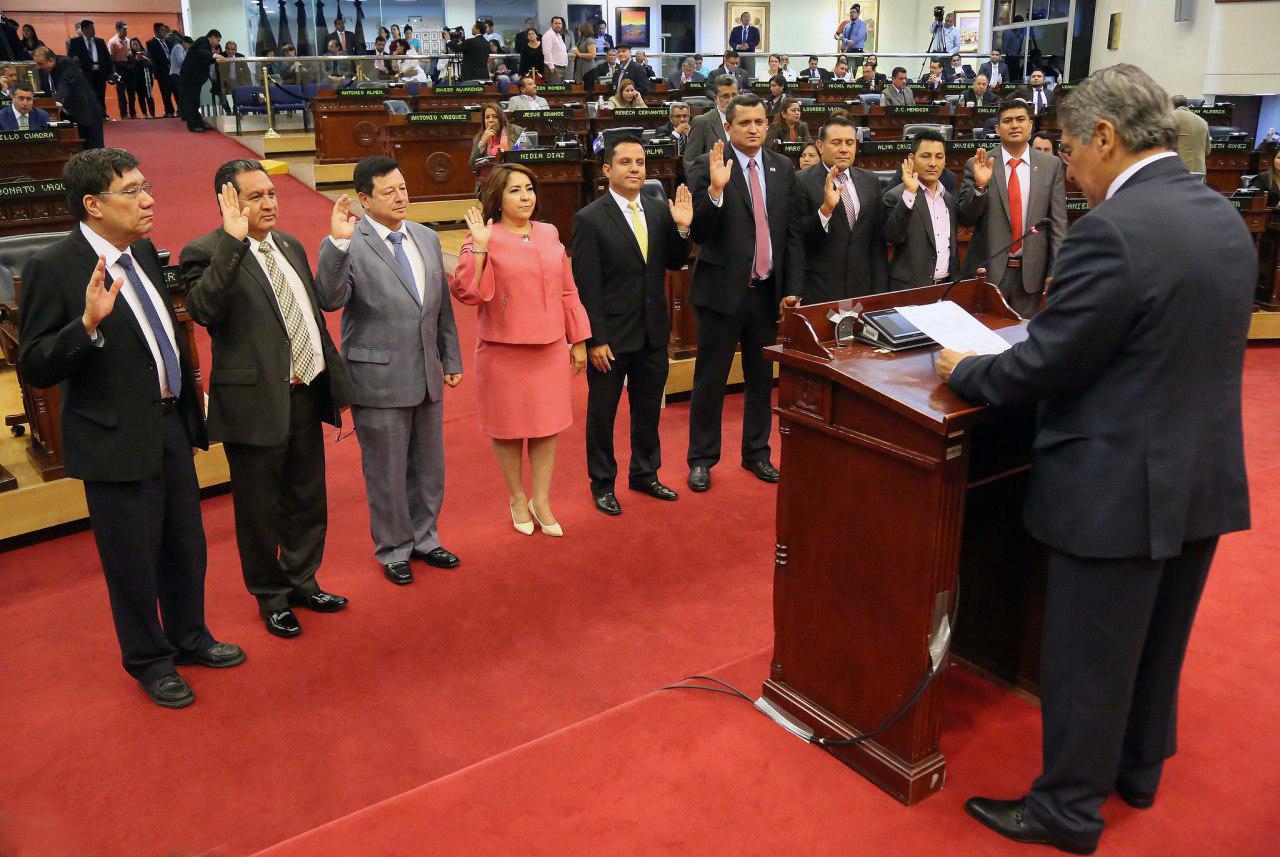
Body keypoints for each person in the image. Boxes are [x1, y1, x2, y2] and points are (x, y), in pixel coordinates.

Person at [937, 64, 1256, 857]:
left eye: (1071, 148)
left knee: (1089, 653)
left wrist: (962, 370)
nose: (1068, 166)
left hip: (1116, 485)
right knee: (1159, 639)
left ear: (1108, 138)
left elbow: (1044, 364)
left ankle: (1068, 809)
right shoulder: (1218, 213)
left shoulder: (1111, 231)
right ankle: (1138, 769)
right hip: (1199, 476)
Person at [18, 148, 246, 708]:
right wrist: (87, 324)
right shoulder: (54, 266)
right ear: (93, 204)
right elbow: (36, 363)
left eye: (146, 186)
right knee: (131, 559)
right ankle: (150, 660)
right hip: (113, 438)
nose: (148, 199)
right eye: (132, 191)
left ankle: (190, 636)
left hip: (169, 424)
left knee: (185, 545)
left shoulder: (141, 250)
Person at [179, 160, 352, 638]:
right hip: (254, 402)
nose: (269, 203)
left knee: (306, 496)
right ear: (227, 202)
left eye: (271, 193)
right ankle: (271, 595)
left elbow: (315, 310)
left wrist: (336, 243)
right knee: (259, 509)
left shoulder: (291, 245)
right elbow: (204, 309)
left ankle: (303, 579)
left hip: (304, 391)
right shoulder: (206, 251)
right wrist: (234, 244)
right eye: (255, 196)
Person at [314, 157, 462, 583]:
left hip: (428, 373)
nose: (402, 197)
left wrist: (449, 358)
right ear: (363, 200)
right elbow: (329, 298)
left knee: (429, 468)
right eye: (389, 192)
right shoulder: (351, 242)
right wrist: (336, 246)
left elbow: (440, 309)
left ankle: (425, 539)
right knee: (387, 472)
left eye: (402, 187)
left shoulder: (426, 237)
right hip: (376, 377)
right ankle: (393, 548)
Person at [452, 165, 591, 536]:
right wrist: (479, 245)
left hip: (549, 348)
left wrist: (577, 339)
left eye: (529, 189)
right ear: (498, 198)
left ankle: (541, 500)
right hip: (503, 352)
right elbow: (467, 292)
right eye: (515, 191)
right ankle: (517, 497)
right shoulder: (483, 235)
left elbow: (568, 289)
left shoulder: (548, 232)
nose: (525, 197)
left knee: (548, 427)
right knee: (510, 430)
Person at [571, 136, 693, 515]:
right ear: (607, 170)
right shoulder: (589, 218)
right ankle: (602, 483)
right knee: (602, 414)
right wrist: (594, 339)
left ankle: (645, 473)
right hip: (610, 337)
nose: (635, 169)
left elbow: (674, 261)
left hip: (653, 331)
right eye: (625, 162)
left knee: (647, 410)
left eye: (640, 162)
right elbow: (585, 285)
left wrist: (684, 230)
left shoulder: (658, 209)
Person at [685, 94, 800, 493]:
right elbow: (698, 232)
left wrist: (791, 289)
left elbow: (790, 233)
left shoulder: (782, 167)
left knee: (759, 379)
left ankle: (757, 453)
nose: (754, 129)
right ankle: (702, 459)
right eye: (745, 123)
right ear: (729, 127)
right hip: (721, 292)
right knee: (710, 380)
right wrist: (716, 193)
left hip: (766, 293)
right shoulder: (707, 165)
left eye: (760, 122)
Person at [958, 98, 1067, 318]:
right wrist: (980, 187)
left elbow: (1058, 223)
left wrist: (1056, 269)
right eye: (1007, 121)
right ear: (998, 128)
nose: (1015, 125)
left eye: (1020, 119)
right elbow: (965, 217)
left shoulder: (1050, 165)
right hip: (988, 272)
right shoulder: (979, 163)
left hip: (1032, 273)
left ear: (1031, 125)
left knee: (1022, 340)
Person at [784, 112, 887, 305]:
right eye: (836, 142)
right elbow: (797, 243)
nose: (844, 149)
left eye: (850, 143)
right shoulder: (801, 181)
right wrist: (825, 211)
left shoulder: (870, 180)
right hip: (818, 290)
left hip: (862, 290)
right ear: (821, 146)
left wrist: (880, 292)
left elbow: (877, 245)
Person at [882, 130, 957, 289]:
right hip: (909, 289)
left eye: (939, 157)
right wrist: (909, 193)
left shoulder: (948, 198)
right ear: (911, 158)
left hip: (946, 287)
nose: (933, 163)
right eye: (925, 156)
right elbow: (893, 236)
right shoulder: (896, 196)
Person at [33, 46, 104, 149]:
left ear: (51, 60)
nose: (37, 66)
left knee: (94, 150)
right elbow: (45, 92)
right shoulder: (43, 71)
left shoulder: (65, 62)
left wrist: (57, 102)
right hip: (66, 116)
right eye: (36, 63)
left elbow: (65, 82)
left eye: (39, 63)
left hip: (86, 113)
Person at [683, 74, 737, 172]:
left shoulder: (746, 121)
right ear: (715, 98)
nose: (731, 100)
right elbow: (690, 164)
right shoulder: (702, 122)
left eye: (734, 95)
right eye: (725, 96)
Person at [179, 31, 224, 133]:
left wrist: (216, 59)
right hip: (190, 77)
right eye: (218, 40)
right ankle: (193, 125)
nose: (218, 43)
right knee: (190, 101)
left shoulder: (205, 45)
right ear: (213, 37)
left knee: (195, 101)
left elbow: (205, 59)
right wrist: (215, 56)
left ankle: (199, 123)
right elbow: (202, 53)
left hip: (195, 78)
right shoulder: (202, 41)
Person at [470, 103, 523, 187]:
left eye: (495, 116)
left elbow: (524, 155)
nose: (490, 120)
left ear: (501, 118)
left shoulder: (516, 132)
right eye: (487, 117)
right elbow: (472, 163)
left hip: (514, 177)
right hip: (489, 181)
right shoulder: (480, 137)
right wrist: (482, 142)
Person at [67, 19, 110, 112]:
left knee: (101, 94)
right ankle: (90, 114)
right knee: (87, 95)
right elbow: (70, 55)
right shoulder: (75, 42)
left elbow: (107, 58)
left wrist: (110, 72)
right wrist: (75, 58)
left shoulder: (100, 41)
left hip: (100, 72)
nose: (94, 30)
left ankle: (102, 114)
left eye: (94, 28)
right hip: (85, 73)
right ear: (84, 29)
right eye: (91, 28)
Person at [1170, 95, 1210, 174]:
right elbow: (1207, 151)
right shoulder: (1202, 121)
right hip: (1198, 172)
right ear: (1186, 105)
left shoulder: (1168, 118)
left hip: (1176, 171)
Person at [122, 38, 157, 119]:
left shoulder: (146, 53)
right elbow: (129, 67)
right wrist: (134, 60)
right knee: (140, 96)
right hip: (136, 78)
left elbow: (152, 64)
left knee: (148, 95)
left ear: (139, 44)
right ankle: (144, 114)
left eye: (136, 44)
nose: (135, 46)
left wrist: (144, 58)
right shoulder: (130, 55)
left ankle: (152, 114)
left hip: (146, 77)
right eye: (133, 45)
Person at [146, 23, 174, 116]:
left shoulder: (168, 40)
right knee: (166, 93)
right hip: (162, 71)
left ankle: (180, 110)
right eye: (162, 30)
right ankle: (169, 111)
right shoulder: (151, 43)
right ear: (156, 31)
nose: (164, 32)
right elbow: (154, 58)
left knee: (176, 90)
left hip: (173, 70)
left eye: (165, 30)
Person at [107, 21, 132, 119]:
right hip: (118, 67)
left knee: (131, 92)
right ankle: (124, 114)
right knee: (121, 93)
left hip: (128, 67)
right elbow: (111, 59)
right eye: (124, 29)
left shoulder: (128, 40)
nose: (126, 31)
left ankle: (133, 113)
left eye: (126, 29)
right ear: (118, 29)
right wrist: (114, 72)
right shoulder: (112, 42)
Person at [542, 16, 567, 83]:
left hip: (562, 67)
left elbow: (562, 51)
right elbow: (546, 51)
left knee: (561, 90)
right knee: (555, 90)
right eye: (556, 23)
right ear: (551, 24)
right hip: (553, 67)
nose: (558, 25)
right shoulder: (548, 35)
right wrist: (551, 66)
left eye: (560, 23)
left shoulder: (559, 36)